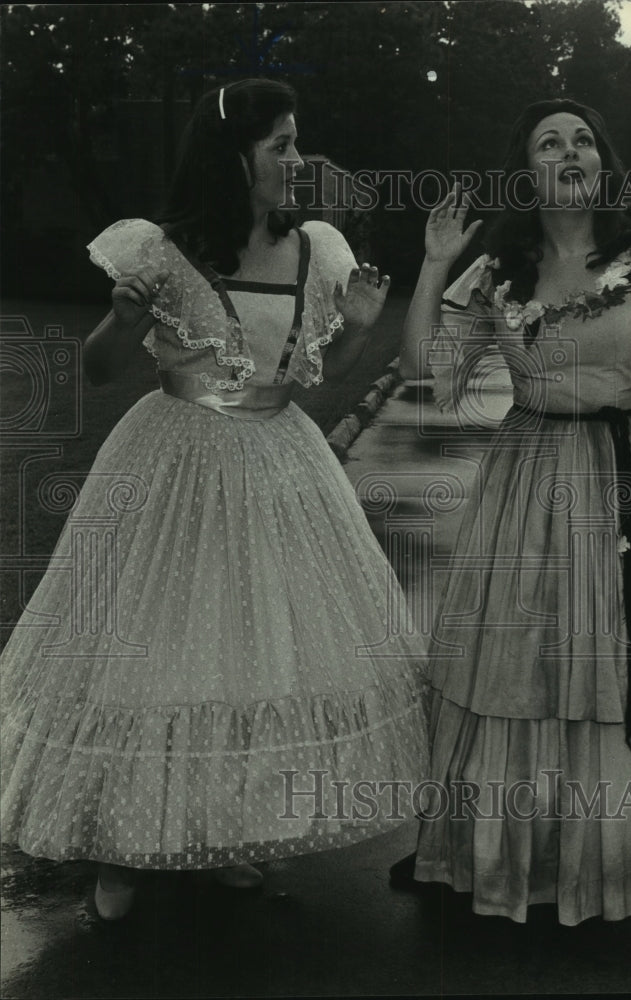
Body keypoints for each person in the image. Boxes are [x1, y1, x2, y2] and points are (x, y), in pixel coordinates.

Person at [0, 79, 429, 920]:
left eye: (297, 142)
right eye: (281, 145)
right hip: (172, 461)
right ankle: (119, 852)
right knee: (151, 649)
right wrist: (123, 321)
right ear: (233, 158)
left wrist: (364, 323)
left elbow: (325, 377)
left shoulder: (318, 250)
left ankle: (229, 832)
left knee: (254, 648)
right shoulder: (158, 251)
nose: (296, 161)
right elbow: (93, 368)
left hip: (278, 462)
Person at [391, 99, 631, 925]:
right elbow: (428, 370)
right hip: (528, 481)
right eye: (548, 142)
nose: (570, 152)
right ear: (527, 171)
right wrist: (431, 268)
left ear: (601, 162)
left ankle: (628, 853)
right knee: (524, 668)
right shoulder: (499, 273)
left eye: (583, 140)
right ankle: (521, 851)